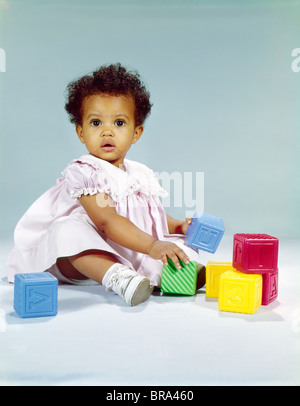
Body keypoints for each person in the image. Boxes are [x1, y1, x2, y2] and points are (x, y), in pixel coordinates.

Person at [7, 63, 205, 306]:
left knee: (175, 246)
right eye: (96, 123)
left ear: (136, 133)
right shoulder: (84, 171)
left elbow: (151, 215)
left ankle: (172, 274)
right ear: (80, 132)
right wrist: (152, 245)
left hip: (125, 248)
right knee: (68, 232)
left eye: (119, 123)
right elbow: (106, 221)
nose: (107, 132)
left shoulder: (139, 173)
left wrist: (177, 226)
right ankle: (116, 276)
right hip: (80, 260)